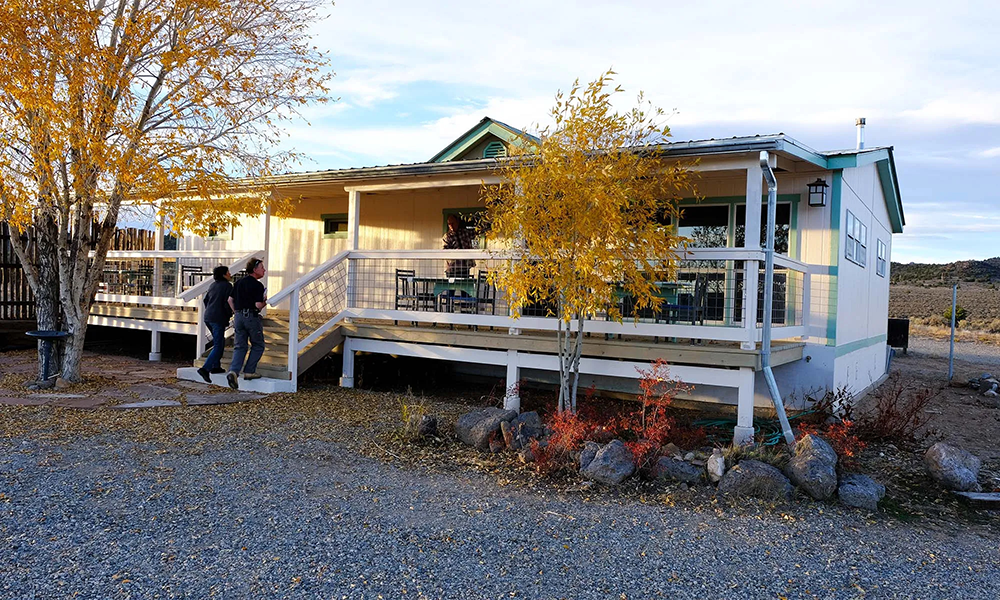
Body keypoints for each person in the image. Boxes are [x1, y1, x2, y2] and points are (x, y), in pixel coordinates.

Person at [226, 258, 267, 389]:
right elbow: (258, 305)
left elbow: (230, 300)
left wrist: (237, 312)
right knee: (258, 344)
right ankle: (249, 371)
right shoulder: (257, 285)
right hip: (251, 316)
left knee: (240, 346)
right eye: (262, 267)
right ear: (255, 270)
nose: (264, 270)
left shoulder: (238, 282)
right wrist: (266, 300)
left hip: (238, 316)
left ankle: (234, 371)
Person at [197, 265, 233, 383]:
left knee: (219, 342)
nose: (230, 274)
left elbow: (205, 300)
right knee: (218, 344)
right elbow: (228, 302)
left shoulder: (213, 285)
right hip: (218, 318)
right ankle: (205, 369)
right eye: (228, 272)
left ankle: (215, 366)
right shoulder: (228, 286)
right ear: (224, 274)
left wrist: (211, 309)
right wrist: (229, 312)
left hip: (208, 316)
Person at [443, 214, 476, 278]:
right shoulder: (447, 237)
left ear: (457, 222)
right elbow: (445, 251)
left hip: (465, 267)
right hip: (453, 268)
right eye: (449, 224)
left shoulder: (465, 232)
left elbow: (477, 232)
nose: (451, 226)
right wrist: (455, 252)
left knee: (464, 286)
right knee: (451, 287)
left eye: (453, 223)